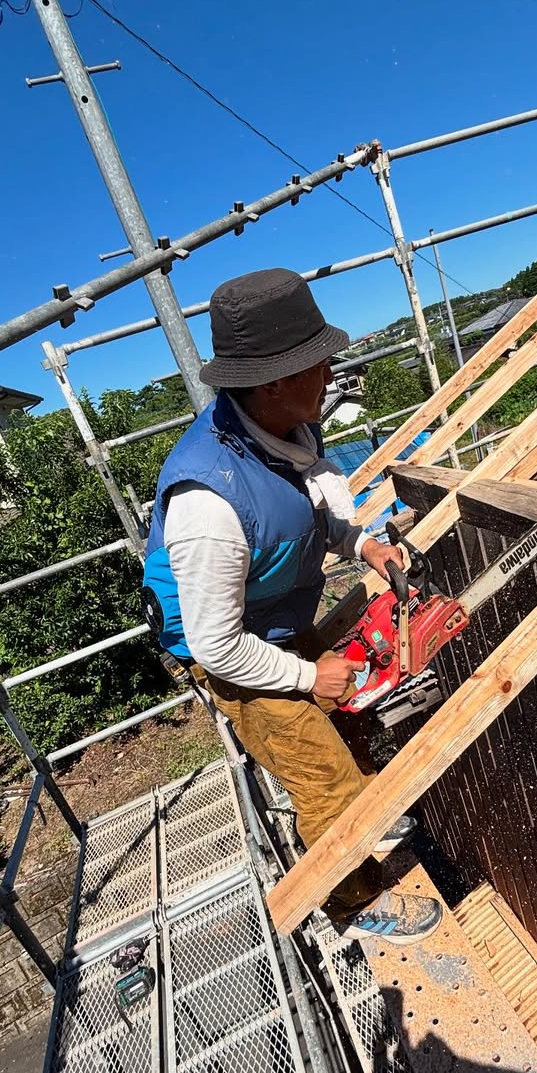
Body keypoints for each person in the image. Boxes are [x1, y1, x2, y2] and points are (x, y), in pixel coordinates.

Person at [143, 267, 442, 945]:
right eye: (317, 362)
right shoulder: (208, 502)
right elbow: (218, 646)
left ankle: (368, 811)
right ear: (273, 380)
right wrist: (308, 677)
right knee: (323, 778)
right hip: (226, 651)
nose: (330, 370)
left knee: (351, 710)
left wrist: (364, 545)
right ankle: (353, 901)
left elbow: (309, 513)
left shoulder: (284, 430)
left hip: (271, 621)